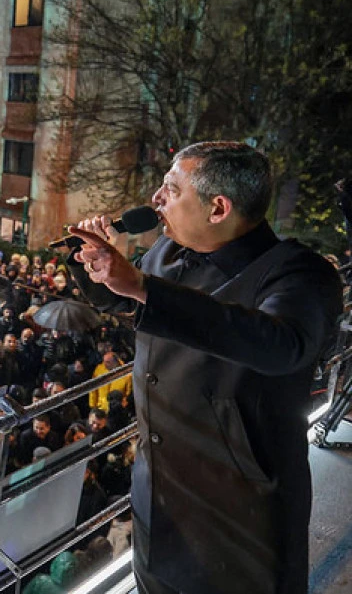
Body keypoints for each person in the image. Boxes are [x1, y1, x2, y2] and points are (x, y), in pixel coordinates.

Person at [68, 141, 343, 594]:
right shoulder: (167, 254)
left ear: (218, 208)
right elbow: (145, 307)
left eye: (171, 188)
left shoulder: (301, 274)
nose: (156, 198)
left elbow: (280, 344)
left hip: (239, 515)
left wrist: (142, 286)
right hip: (160, 499)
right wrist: (98, 269)